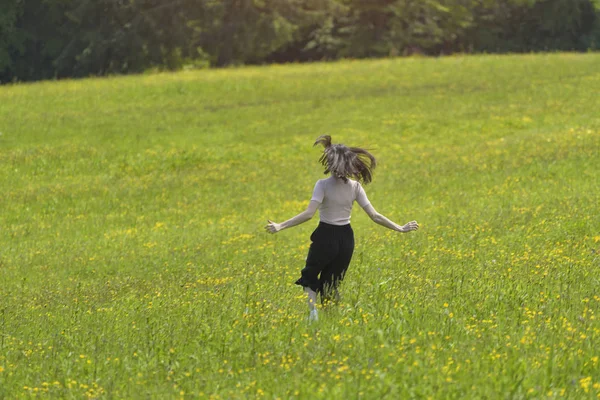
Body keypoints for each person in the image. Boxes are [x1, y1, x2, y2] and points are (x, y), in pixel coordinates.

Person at [265, 135, 419, 321]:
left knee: (310, 275)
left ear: (330, 162)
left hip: (325, 236)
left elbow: (308, 214)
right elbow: (375, 216)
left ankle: (313, 314)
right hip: (346, 239)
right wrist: (400, 228)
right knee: (332, 283)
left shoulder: (322, 185)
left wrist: (280, 225)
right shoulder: (355, 186)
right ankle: (331, 320)